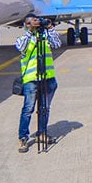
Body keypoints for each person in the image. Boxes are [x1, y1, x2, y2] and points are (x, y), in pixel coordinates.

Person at [15, 14, 62, 152]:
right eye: (34, 21)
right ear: (27, 24)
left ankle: (42, 133)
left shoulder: (45, 36)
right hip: (32, 80)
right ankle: (23, 137)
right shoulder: (23, 39)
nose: (38, 22)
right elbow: (20, 47)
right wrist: (30, 32)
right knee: (28, 109)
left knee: (45, 108)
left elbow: (57, 44)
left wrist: (50, 28)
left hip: (48, 78)